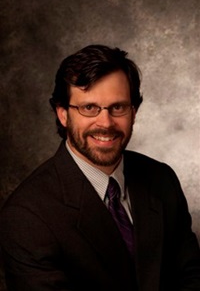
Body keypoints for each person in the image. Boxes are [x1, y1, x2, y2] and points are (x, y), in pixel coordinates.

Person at [0, 44, 200, 291]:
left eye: (118, 107)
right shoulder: (26, 217)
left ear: (133, 112)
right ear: (62, 114)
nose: (105, 123)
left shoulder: (161, 179)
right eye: (89, 108)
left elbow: (191, 277)